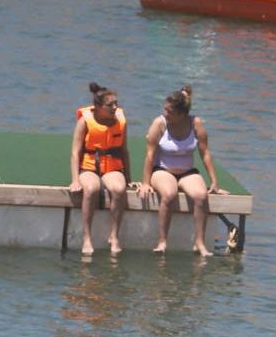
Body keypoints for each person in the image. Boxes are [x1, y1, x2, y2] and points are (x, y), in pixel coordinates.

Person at [137, 84, 227, 257]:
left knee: (201, 196)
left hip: (187, 172)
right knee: (169, 194)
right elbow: (150, 155)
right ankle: (162, 241)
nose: (165, 113)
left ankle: (199, 243)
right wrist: (145, 183)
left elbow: (205, 153)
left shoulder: (196, 123)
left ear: (181, 114)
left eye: (169, 111)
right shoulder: (159, 123)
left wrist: (214, 182)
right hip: (162, 170)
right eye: (164, 109)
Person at [70, 81, 131, 257]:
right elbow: (75, 152)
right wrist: (75, 180)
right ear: (97, 106)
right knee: (91, 189)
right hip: (88, 166)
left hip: (112, 166)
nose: (115, 107)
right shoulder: (85, 121)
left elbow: (124, 150)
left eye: (116, 104)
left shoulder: (121, 121)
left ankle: (114, 236)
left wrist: (128, 176)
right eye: (110, 105)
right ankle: (87, 238)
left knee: (119, 189)